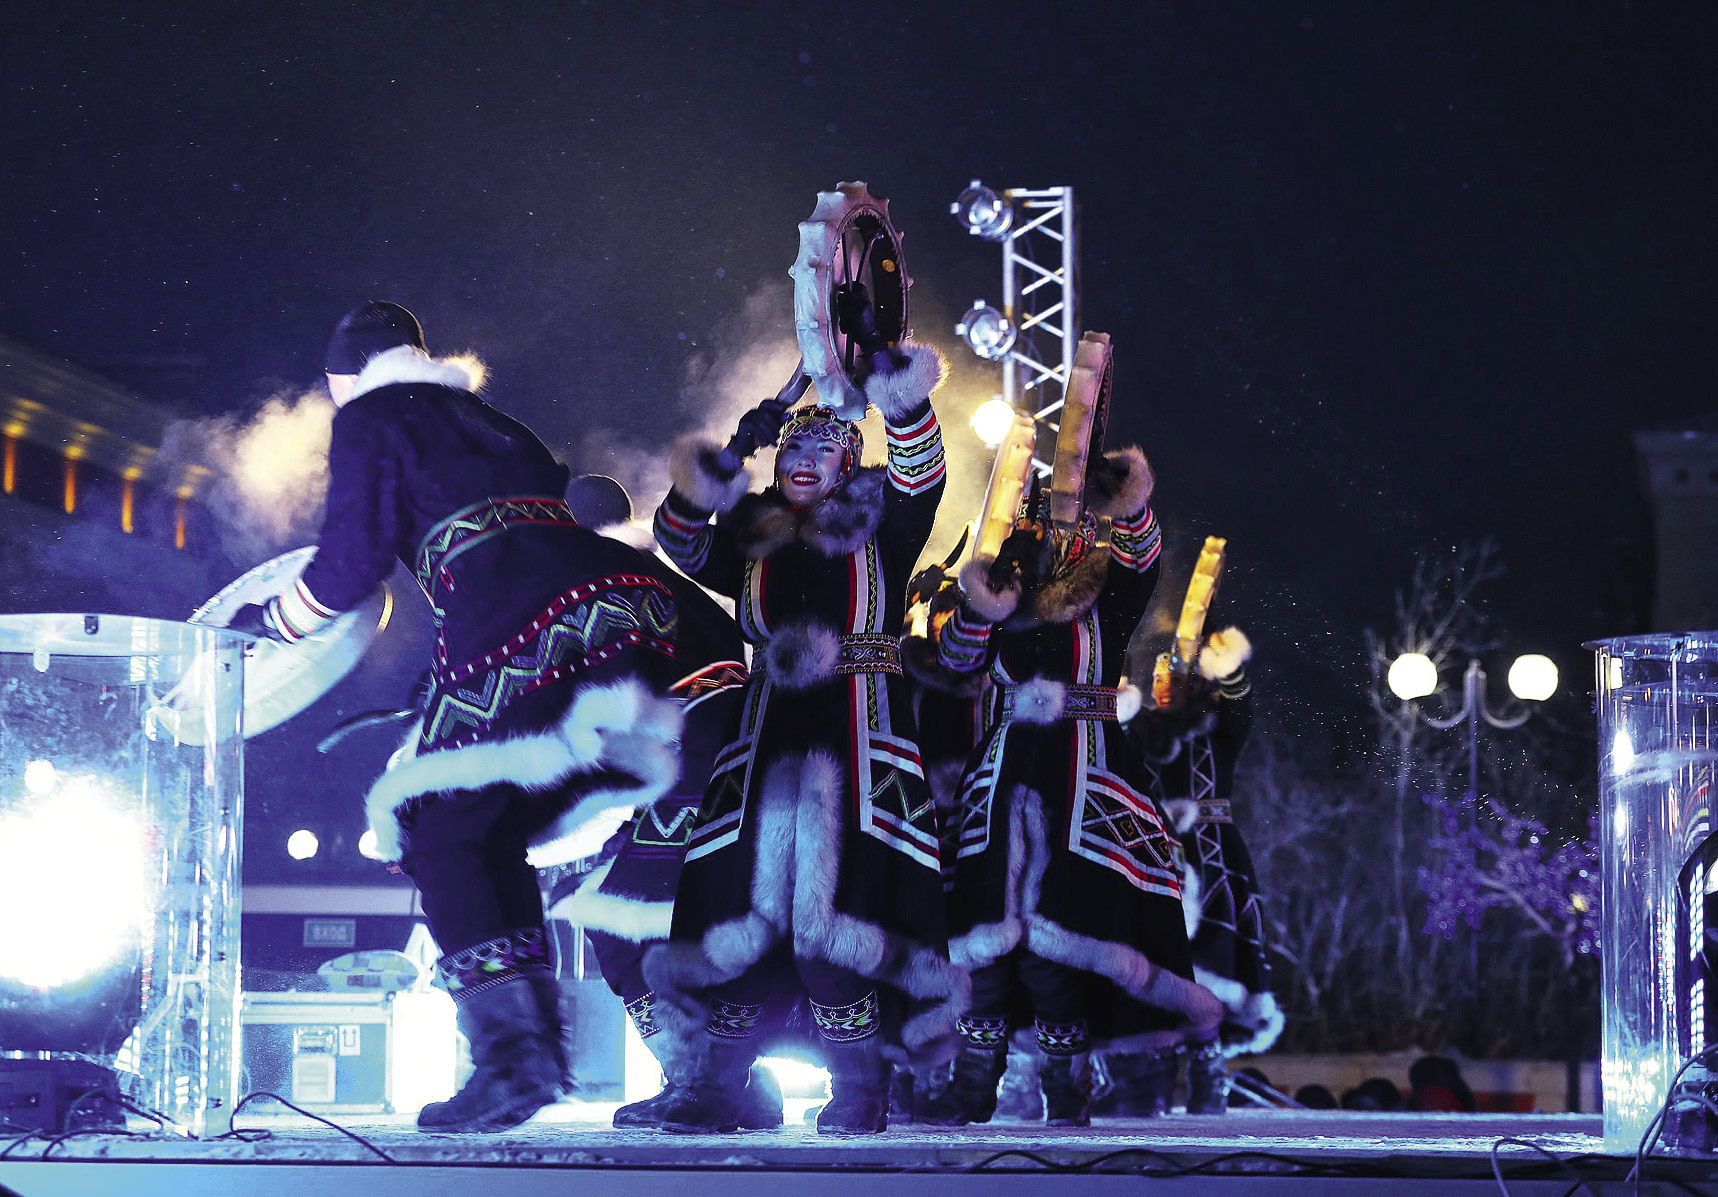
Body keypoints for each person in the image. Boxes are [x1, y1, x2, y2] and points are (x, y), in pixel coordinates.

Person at [229, 301, 698, 1133]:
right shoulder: (489, 418)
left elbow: (351, 564)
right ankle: (532, 1058)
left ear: (348, 379)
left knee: (431, 823)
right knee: (484, 827)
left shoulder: (372, 415)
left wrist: (272, 621)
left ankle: (516, 1062)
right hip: (623, 609)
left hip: (524, 616)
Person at [641, 307, 966, 1136]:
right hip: (763, 744)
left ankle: (861, 1088)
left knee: (842, 921)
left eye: (821, 449)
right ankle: (719, 1085)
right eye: (791, 448)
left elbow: (923, 463)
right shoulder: (751, 533)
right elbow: (675, 532)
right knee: (735, 918)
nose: (802, 459)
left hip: (857, 741)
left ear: (851, 462)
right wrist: (732, 449)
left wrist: (894, 378)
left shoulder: (885, 524)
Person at [921, 435, 1223, 1128]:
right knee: (985, 937)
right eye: (1045, 525)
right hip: (1001, 774)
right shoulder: (1003, 589)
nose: (1059, 536)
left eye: (1073, 525)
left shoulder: (1107, 595)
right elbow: (958, 656)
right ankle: (973, 1085)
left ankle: (1068, 1086)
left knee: (1058, 939)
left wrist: (1132, 503)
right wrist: (979, 606)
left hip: (1086, 774)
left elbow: (1143, 559)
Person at [1113, 621, 1281, 1115]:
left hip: (1213, 857)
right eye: (1160, 668)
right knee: (1151, 966)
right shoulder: (1141, 727)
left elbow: (1238, 696)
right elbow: (1113, 721)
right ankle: (1146, 1079)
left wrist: (1223, 663)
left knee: (1216, 961)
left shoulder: (1221, 727)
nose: (1164, 676)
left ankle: (1208, 1074)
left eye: (1175, 669)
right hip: (1152, 852)